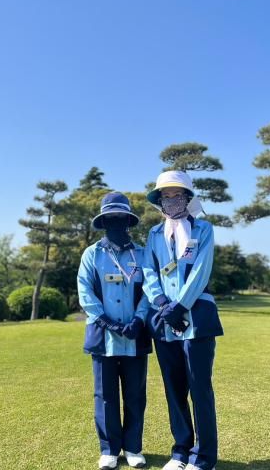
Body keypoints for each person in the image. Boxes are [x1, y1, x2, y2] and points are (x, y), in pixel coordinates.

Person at [142, 170, 224, 470]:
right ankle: (180, 451)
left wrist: (180, 306)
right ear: (159, 200)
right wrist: (163, 304)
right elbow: (149, 272)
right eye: (166, 196)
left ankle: (203, 457)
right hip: (165, 320)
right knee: (174, 389)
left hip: (197, 318)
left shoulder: (203, 229)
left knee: (199, 388)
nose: (171, 200)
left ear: (188, 198)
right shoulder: (154, 234)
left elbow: (202, 270)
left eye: (177, 195)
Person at [78, 191, 152, 470]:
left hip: (135, 335)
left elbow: (150, 289)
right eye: (111, 217)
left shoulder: (142, 254)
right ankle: (109, 449)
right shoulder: (92, 254)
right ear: (104, 222)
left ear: (129, 220)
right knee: (105, 395)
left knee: (135, 394)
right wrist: (107, 322)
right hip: (103, 336)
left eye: (122, 217)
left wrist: (139, 320)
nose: (117, 221)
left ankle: (133, 448)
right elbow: (85, 292)